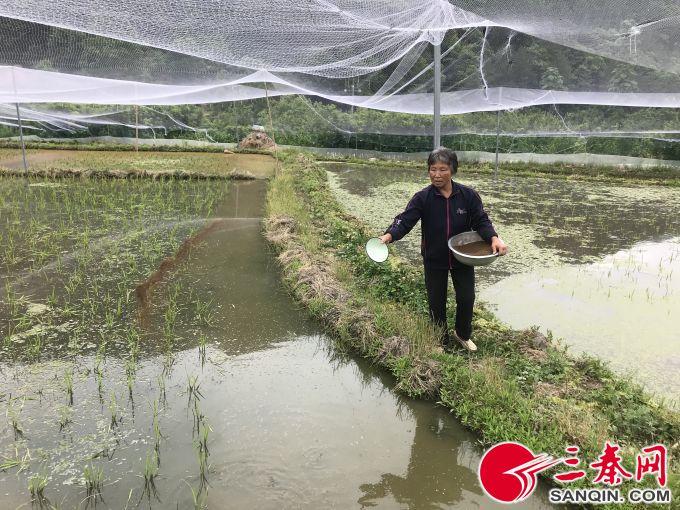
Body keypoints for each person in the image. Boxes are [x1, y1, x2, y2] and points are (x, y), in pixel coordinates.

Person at [379, 147, 507, 352]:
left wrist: (494, 238)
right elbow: (405, 220)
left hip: (462, 258)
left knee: (467, 297)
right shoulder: (423, 198)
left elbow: (481, 220)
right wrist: (388, 235)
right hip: (434, 258)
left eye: (443, 169)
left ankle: (462, 334)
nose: (437, 175)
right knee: (436, 301)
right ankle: (440, 339)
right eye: (433, 169)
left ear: (453, 170)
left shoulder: (468, 196)